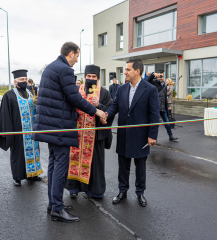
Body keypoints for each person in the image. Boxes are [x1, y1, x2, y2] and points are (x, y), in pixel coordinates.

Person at [33, 42, 105, 223]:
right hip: (60, 126)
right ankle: (57, 208)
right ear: (71, 53)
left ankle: (53, 203)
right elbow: (74, 97)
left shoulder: (50, 67)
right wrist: (96, 111)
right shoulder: (64, 70)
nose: (77, 60)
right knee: (60, 166)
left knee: (53, 163)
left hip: (49, 125)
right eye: (77, 56)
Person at [102, 58, 160, 207]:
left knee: (140, 167)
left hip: (141, 136)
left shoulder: (150, 89)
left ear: (137, 71)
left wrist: (152, 135)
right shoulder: (122, 89)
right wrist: (106, 115)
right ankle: (122, 191)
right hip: (124, 134)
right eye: (125, 69)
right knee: (123, 165)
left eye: (128, 69)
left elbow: (154, 115)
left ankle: (140, 193)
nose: (125, 72)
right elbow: (114, 107)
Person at [65, 64, 113, 199]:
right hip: (77, 134)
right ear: (84, 77)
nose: (91, 79)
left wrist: (99, 105)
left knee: (95, 164)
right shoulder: (76, 91)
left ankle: (94, 190)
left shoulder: (104, 93)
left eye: (94, 77)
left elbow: (110, 112)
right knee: (73, 160)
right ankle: (73, 188)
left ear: (98, 78)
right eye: (88, 76)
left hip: (95, 136)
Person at [0, 69, 43, 187]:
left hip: (31, 131)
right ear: (16, 82)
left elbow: (35, 110)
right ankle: (17, 177)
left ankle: (32, 175)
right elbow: (5, 116)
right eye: (22, 80)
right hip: (18, 131)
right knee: (18, 154)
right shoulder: (9, 95)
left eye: (25, 79)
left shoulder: (30, 93)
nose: (24, 81)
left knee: (34, 151)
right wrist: (9, 132)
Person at [147, 73, 178, 141]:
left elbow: (165, 96)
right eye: (159, 76)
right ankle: (153, 137)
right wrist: (153, 74)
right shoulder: (154, 82)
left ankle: (171, 136)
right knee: (155, 123)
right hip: (155, 107)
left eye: (162, 76)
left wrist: (167, 106)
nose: (160, 77)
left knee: (167, 122)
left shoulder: (164, 85)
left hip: (163, 107)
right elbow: (148, 80)